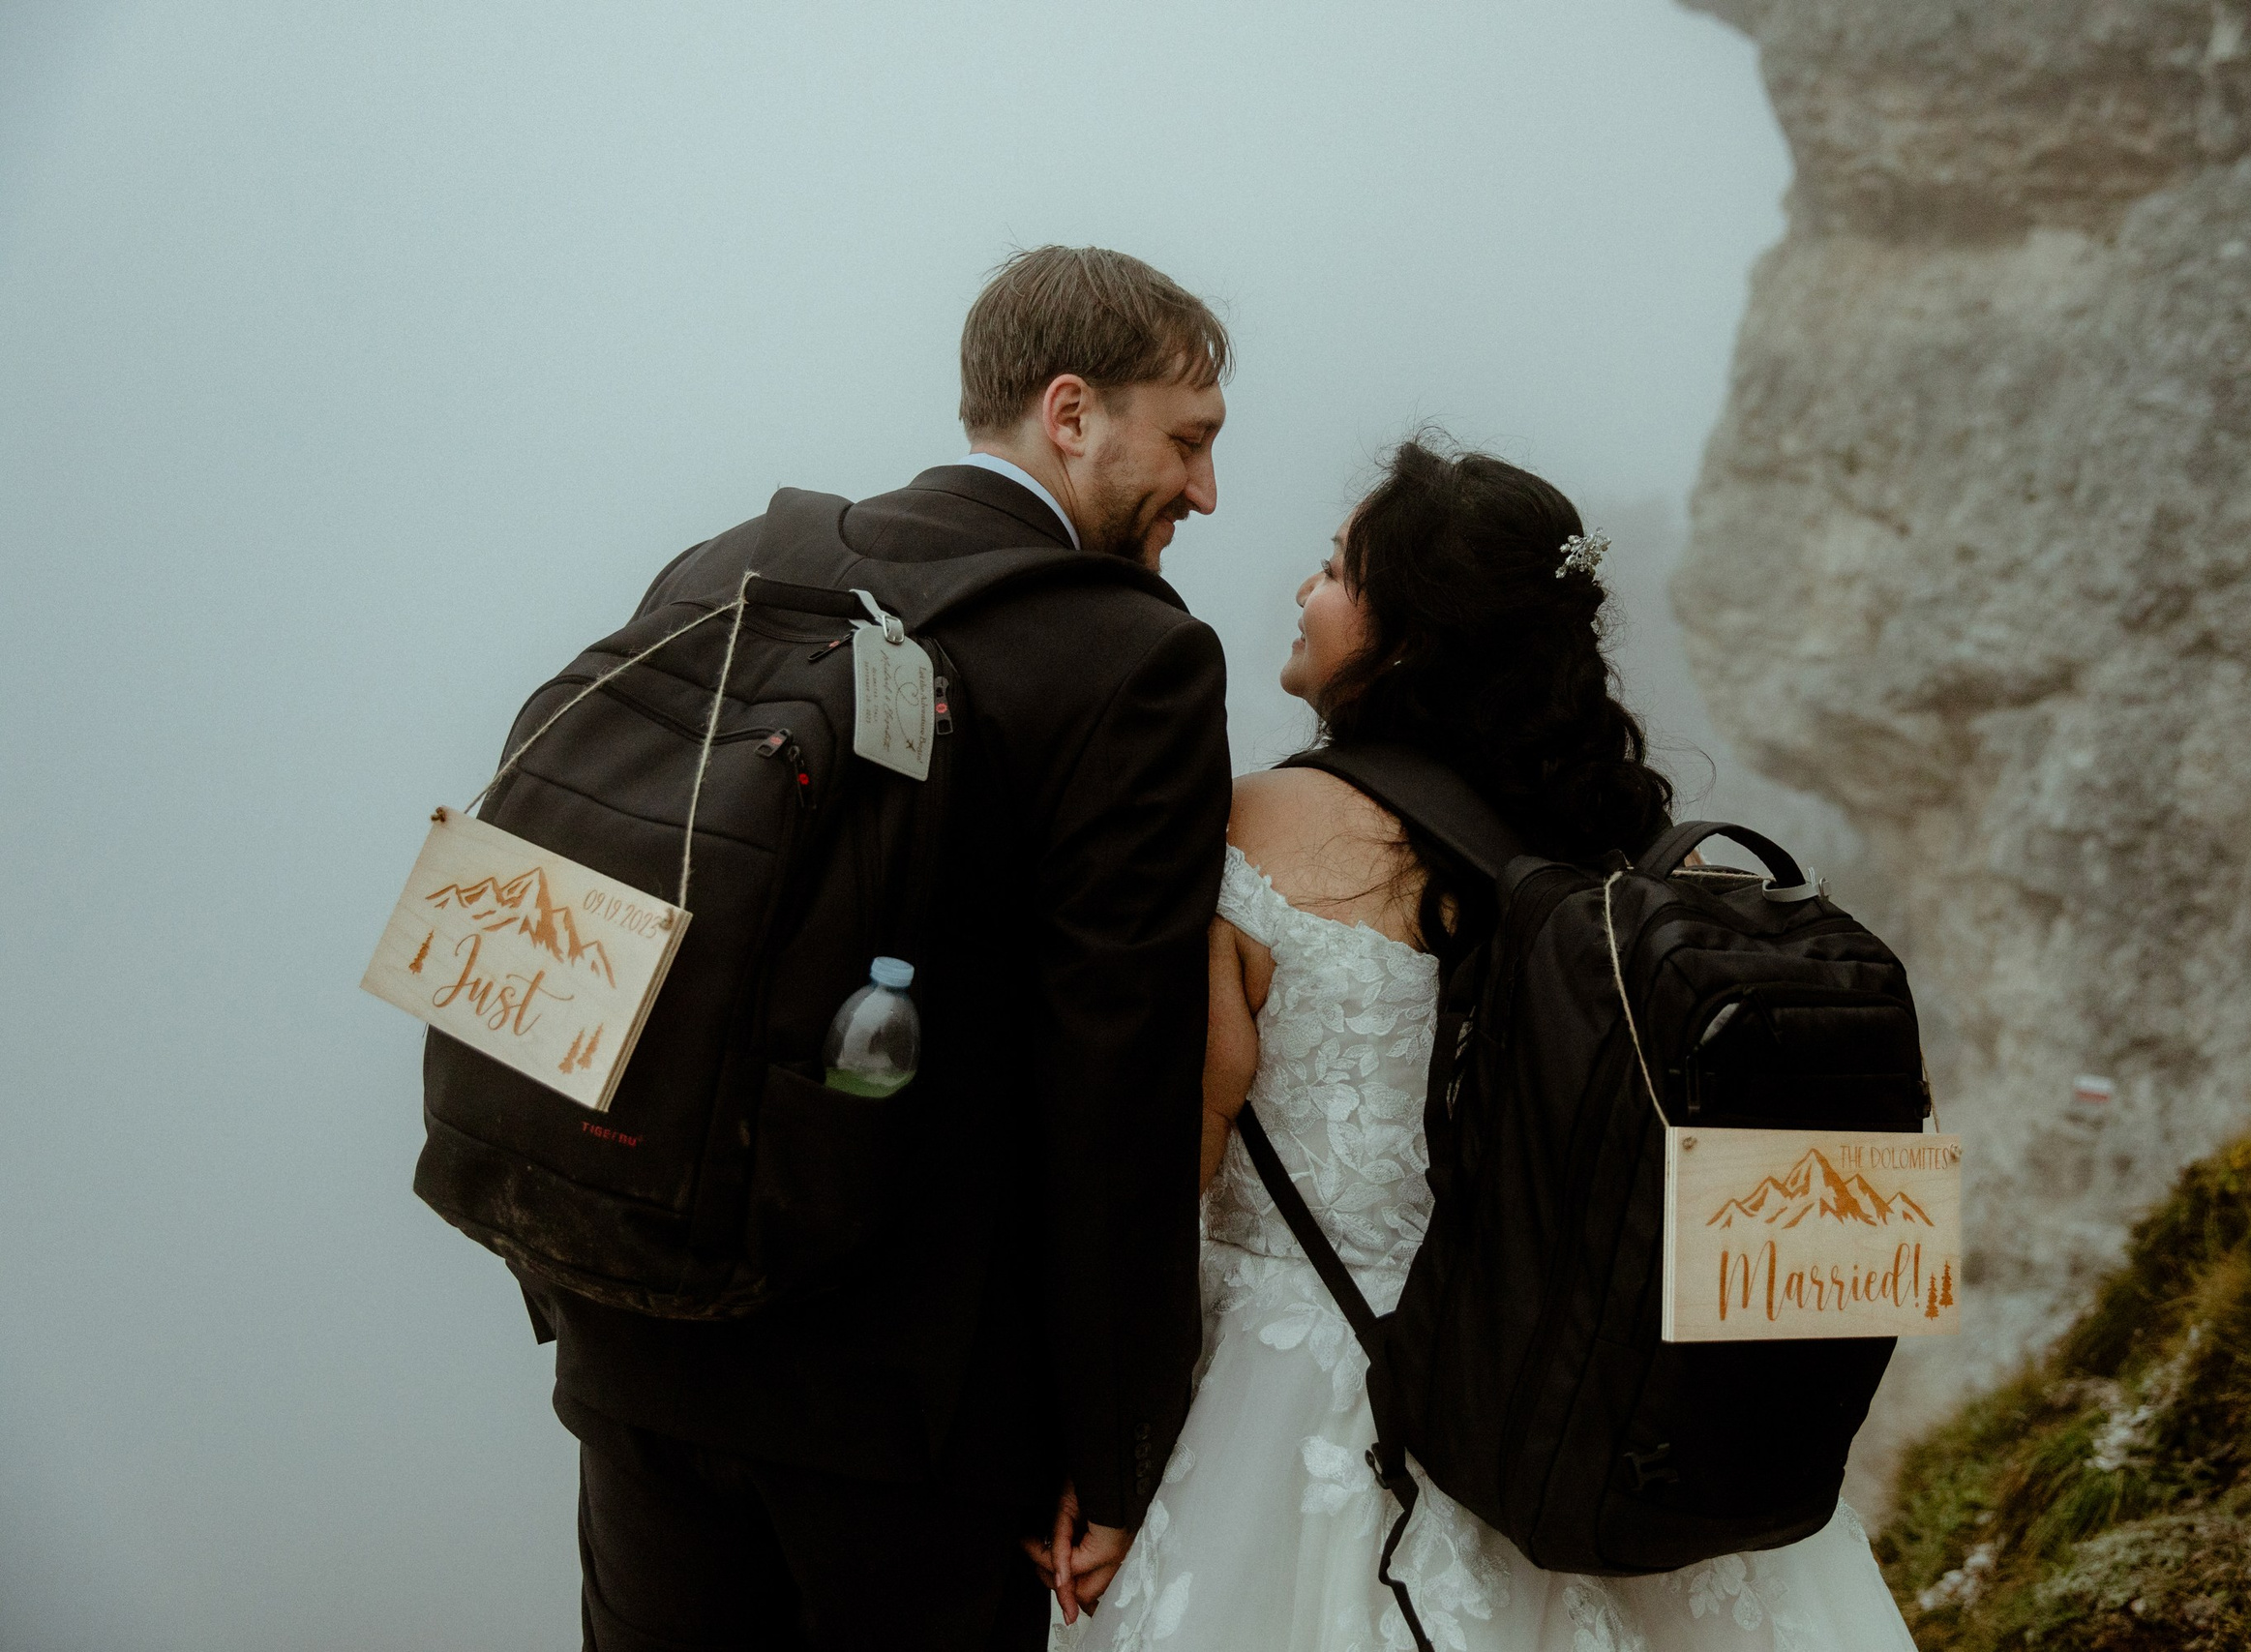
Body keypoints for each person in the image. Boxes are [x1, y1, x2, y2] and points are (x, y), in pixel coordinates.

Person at [1045, 438, 1919, 1651]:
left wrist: (1104, 1444)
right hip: (1571, 1394)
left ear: (1405, 634)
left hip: (1310, 1410)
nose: (1304, 589)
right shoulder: (1608, 847)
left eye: (1336, 568)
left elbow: (1161, 1162)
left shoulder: (1246, 827)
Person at [520, 245, 1235, 1651]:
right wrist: (1119, 1436)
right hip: (914, 1414)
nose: (1206, 492)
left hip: (643, 1343)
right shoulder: (1129, 659)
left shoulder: (724, 563)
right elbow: (1116, 1080)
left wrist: (576, 1271)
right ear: (1071, 411)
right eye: (1192, 438)